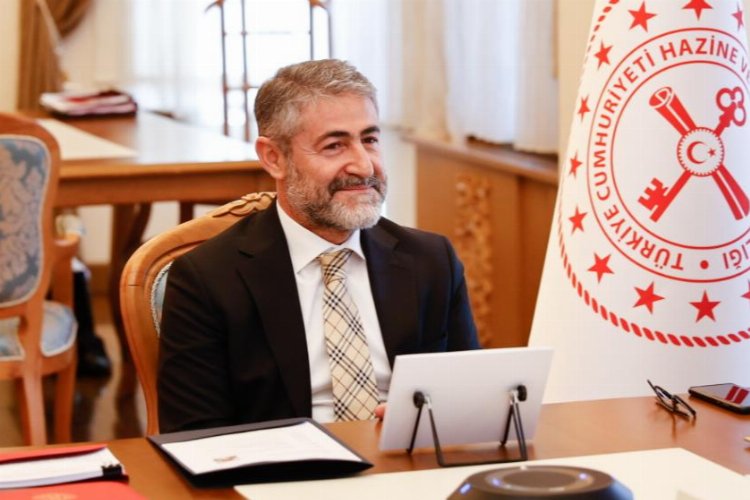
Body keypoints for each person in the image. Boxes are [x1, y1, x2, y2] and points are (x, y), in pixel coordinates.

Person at [158, 59, 479, 433]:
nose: (364, 166)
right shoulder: (207, 278)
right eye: (334, 145)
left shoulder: (431, 261)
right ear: (274, 158)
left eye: (370, 140)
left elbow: (468, 398)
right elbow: (195, 435)